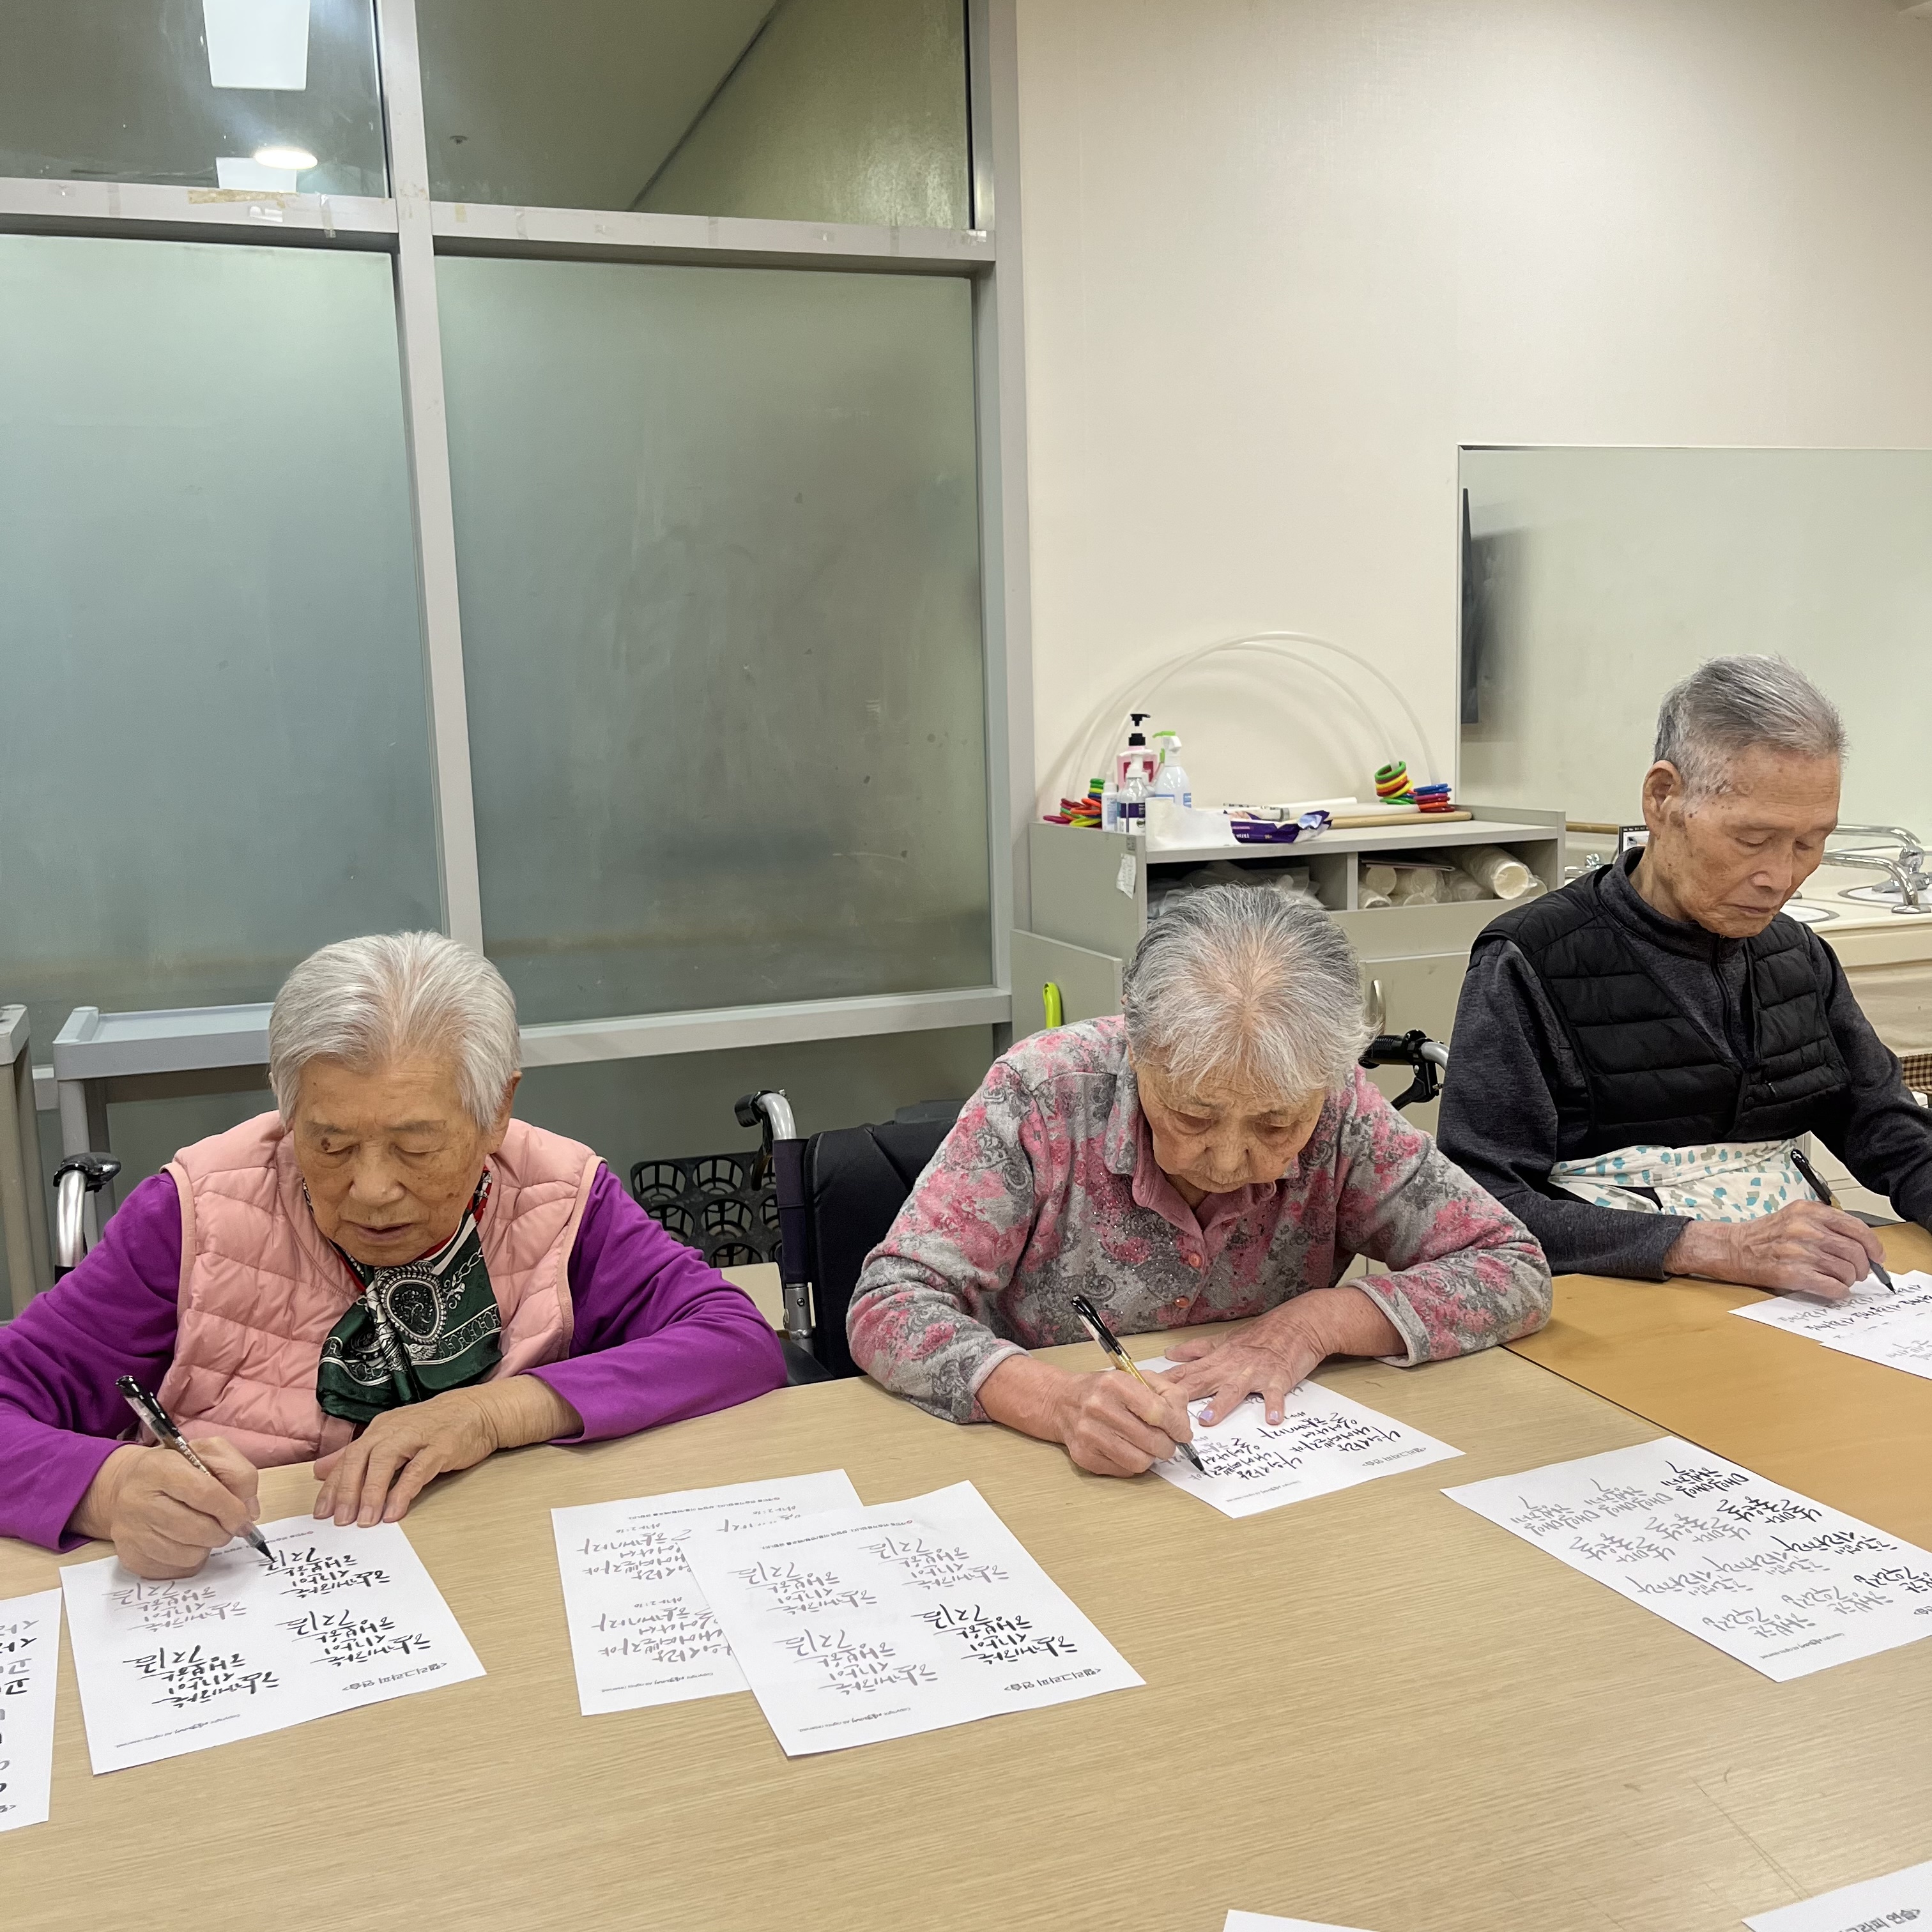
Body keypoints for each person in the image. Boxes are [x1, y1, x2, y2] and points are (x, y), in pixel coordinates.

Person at [0, 932, 786, 1574]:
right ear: (287, 1109)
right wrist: (108, 1489)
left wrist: (492, 1411)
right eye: (330, 1144)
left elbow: (732, 1339)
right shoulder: (193, 1215)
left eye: (417, 1147)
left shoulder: (559, 1195)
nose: (373, 1190)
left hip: (500, 1578)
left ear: (497, 1110)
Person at [847, 885, 1551, 1476]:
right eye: (1192, 1116)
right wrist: (1056, 1401)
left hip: (1270, 1474)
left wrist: (1315, 1323)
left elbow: (1511, 1267)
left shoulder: (1342, 1112)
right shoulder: (1042, 1096)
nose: (1228, 1161)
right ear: (1137, 1051)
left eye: (1276, 1125)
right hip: (1048, 1468)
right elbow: (891, 1303)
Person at [1438, 656, 1932, 1298]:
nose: (1781, 877)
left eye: (1810, 843)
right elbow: (1479, 1201)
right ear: (1663, 797)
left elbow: (1890, 1132)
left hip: (1793, 1299)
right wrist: (1714, 1246)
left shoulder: (1799, 957)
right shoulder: (1531, 960)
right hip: (1614, 1300)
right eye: (1752, 839)